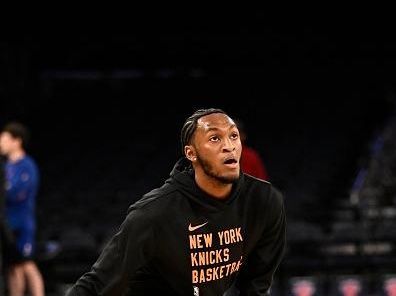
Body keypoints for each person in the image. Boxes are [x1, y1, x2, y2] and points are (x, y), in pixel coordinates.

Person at [66, 108, 286, 296]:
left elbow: (255, 287)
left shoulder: (265, 202)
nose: (229, 146)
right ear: (191, 153)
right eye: (214, 138)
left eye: (233, 136)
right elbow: (98, 285)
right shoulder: (154, 213)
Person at [0, 122, 45, 296]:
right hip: (6, 225)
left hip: (22, 224)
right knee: (12, 266)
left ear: (16, 141)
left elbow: (17, 193)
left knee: (26, 263)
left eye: (4, 139)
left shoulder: (27, 165)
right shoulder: (5, 167)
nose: (1, 143)